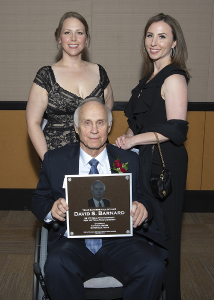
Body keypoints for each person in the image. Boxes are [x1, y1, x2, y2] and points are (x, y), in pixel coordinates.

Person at [32, 98, 168, 300]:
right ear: (77, 128)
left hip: (120, 241)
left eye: (100, 122)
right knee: (57, 265)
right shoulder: (55, 159)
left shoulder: (130, 159)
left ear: (109, 126)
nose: (94, 130)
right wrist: (52, 210)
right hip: (74, 242)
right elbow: (38, 199)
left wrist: (144, 208)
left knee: (152, 266)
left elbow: (145, 197)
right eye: (87, 123)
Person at [115, 13, 190, 300]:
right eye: (150, 35)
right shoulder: (148, 79)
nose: (154, 42)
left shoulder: (174, 78)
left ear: (174, 43)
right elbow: (141, 121)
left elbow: (175, 128)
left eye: (162, 36)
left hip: (165, 164)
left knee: (167, 233)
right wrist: (127, 135)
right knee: (141, 228)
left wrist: (134, 139)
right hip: (142, 160)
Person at [26, 11, 114, 162]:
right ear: (59, 38)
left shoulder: (99, 72)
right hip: (57, 156)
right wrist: (48, 161)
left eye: (79, 33)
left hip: (94, 156)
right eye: (67, 32)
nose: (73, 38)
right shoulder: (46, 75)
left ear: (86, 39)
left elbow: (106, 113)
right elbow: (33, 122)